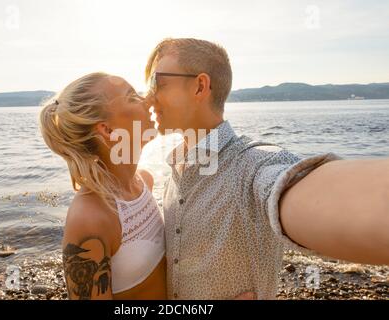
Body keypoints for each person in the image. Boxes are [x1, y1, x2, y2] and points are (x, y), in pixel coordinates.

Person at [144, 37, 389, 300]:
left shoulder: (252, 164)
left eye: (157, 83)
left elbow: (292, 185)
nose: (147, 97)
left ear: (200, 86)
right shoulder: (177, 168)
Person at [39, 73, 166, 300]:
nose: (148, 99)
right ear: (107, 130)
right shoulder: (90, 216)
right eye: (132, 97)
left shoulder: (144, 181)